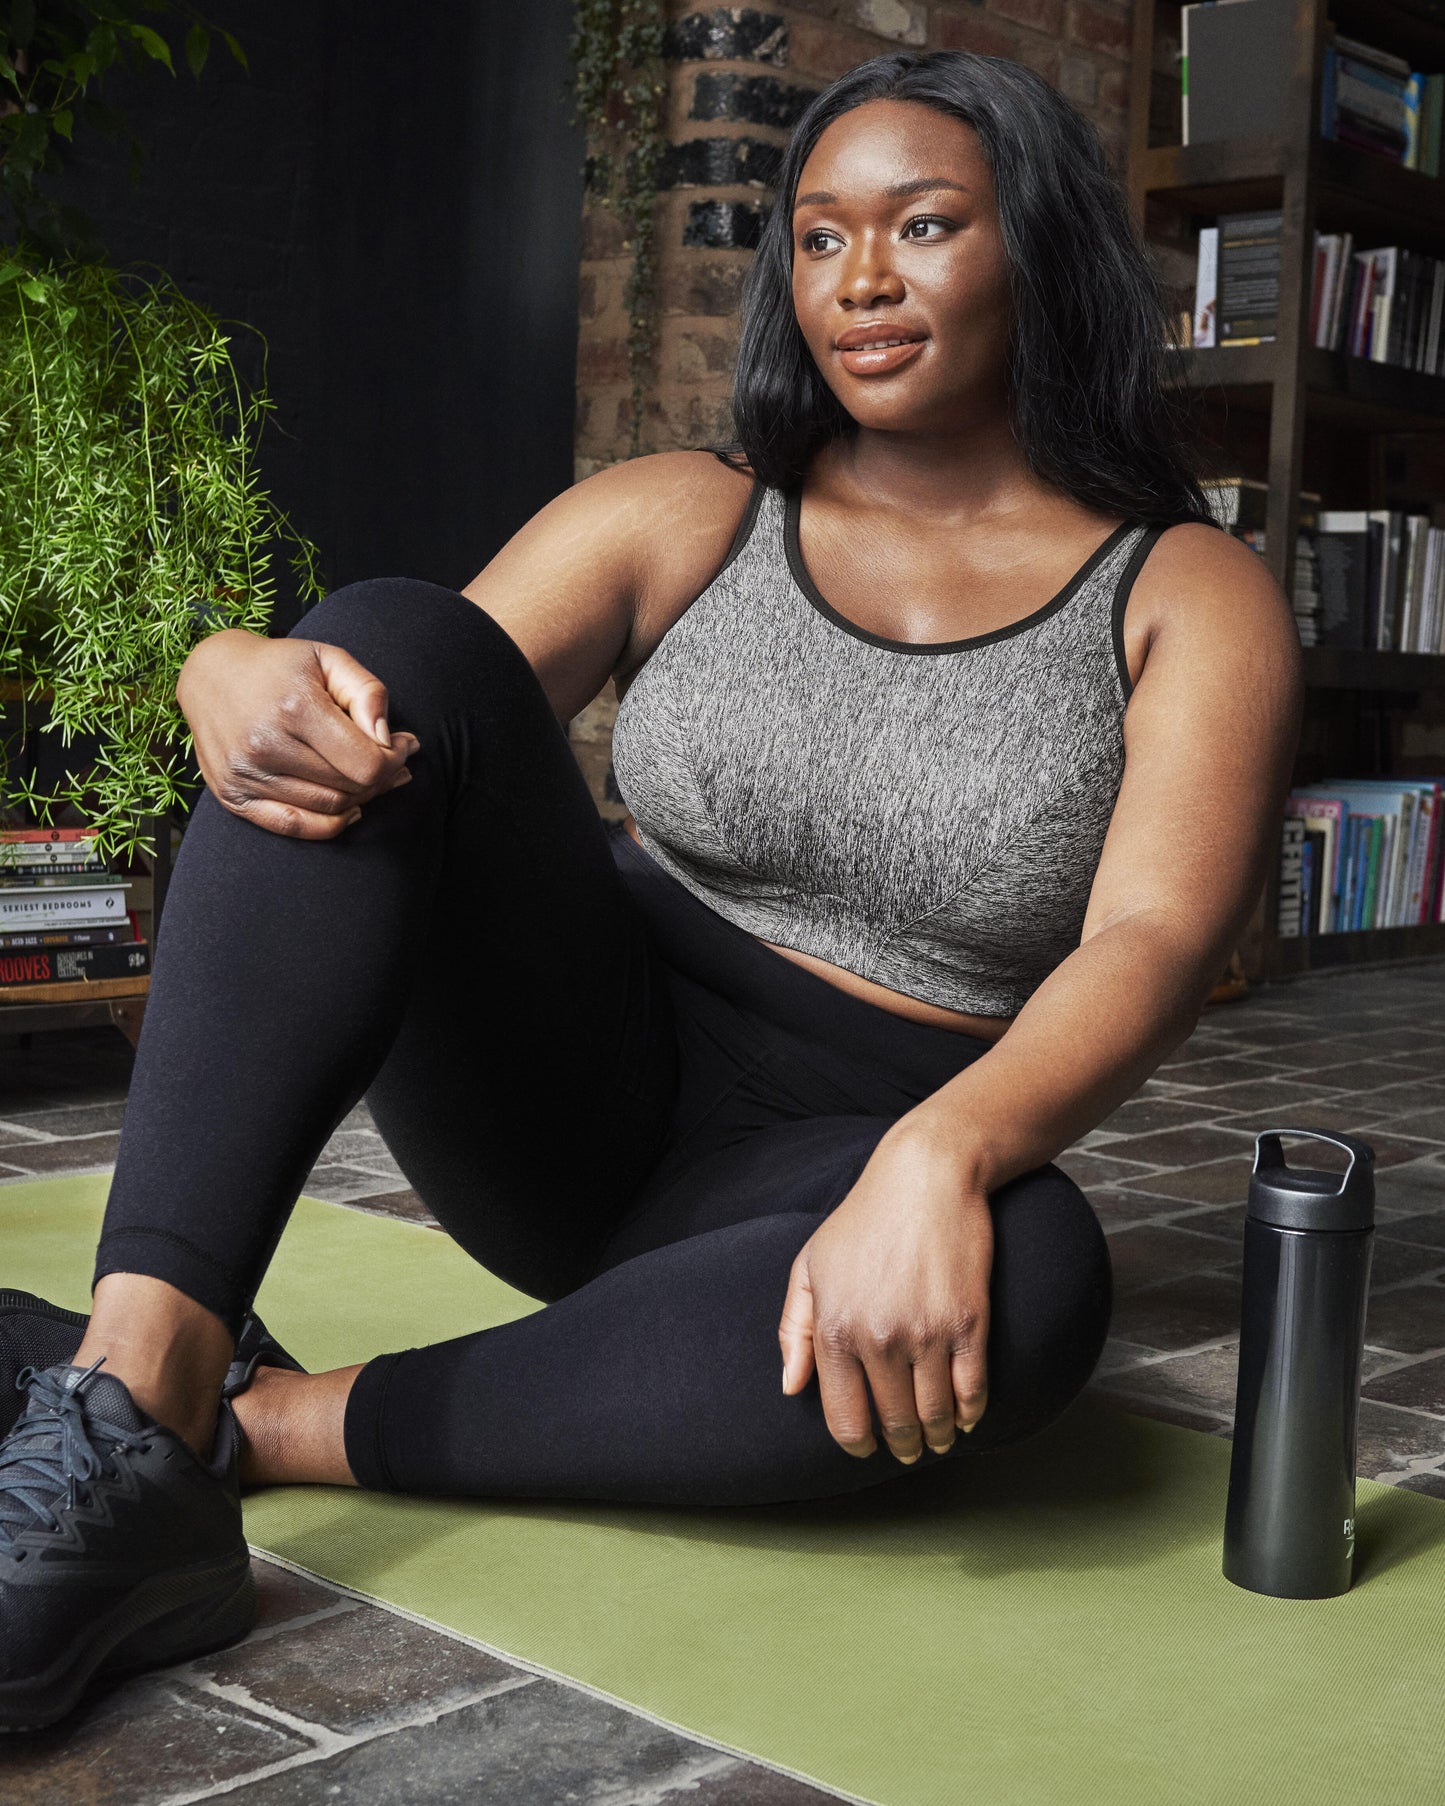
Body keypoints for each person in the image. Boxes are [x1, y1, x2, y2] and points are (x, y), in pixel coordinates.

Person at [0, 47, 1301, 1733]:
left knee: (1036, 1276)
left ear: (1035, 252)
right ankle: (130, 1392)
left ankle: (231, 1428)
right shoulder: (689, 510)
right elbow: (393, 720)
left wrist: (943, 1150)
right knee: (385, 639)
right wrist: (232, 666)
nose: (862, 282)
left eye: (922, 226)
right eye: (819, 238)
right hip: (578, 1082)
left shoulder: (1183, 590)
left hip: (838, 1169)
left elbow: (1151, 938)